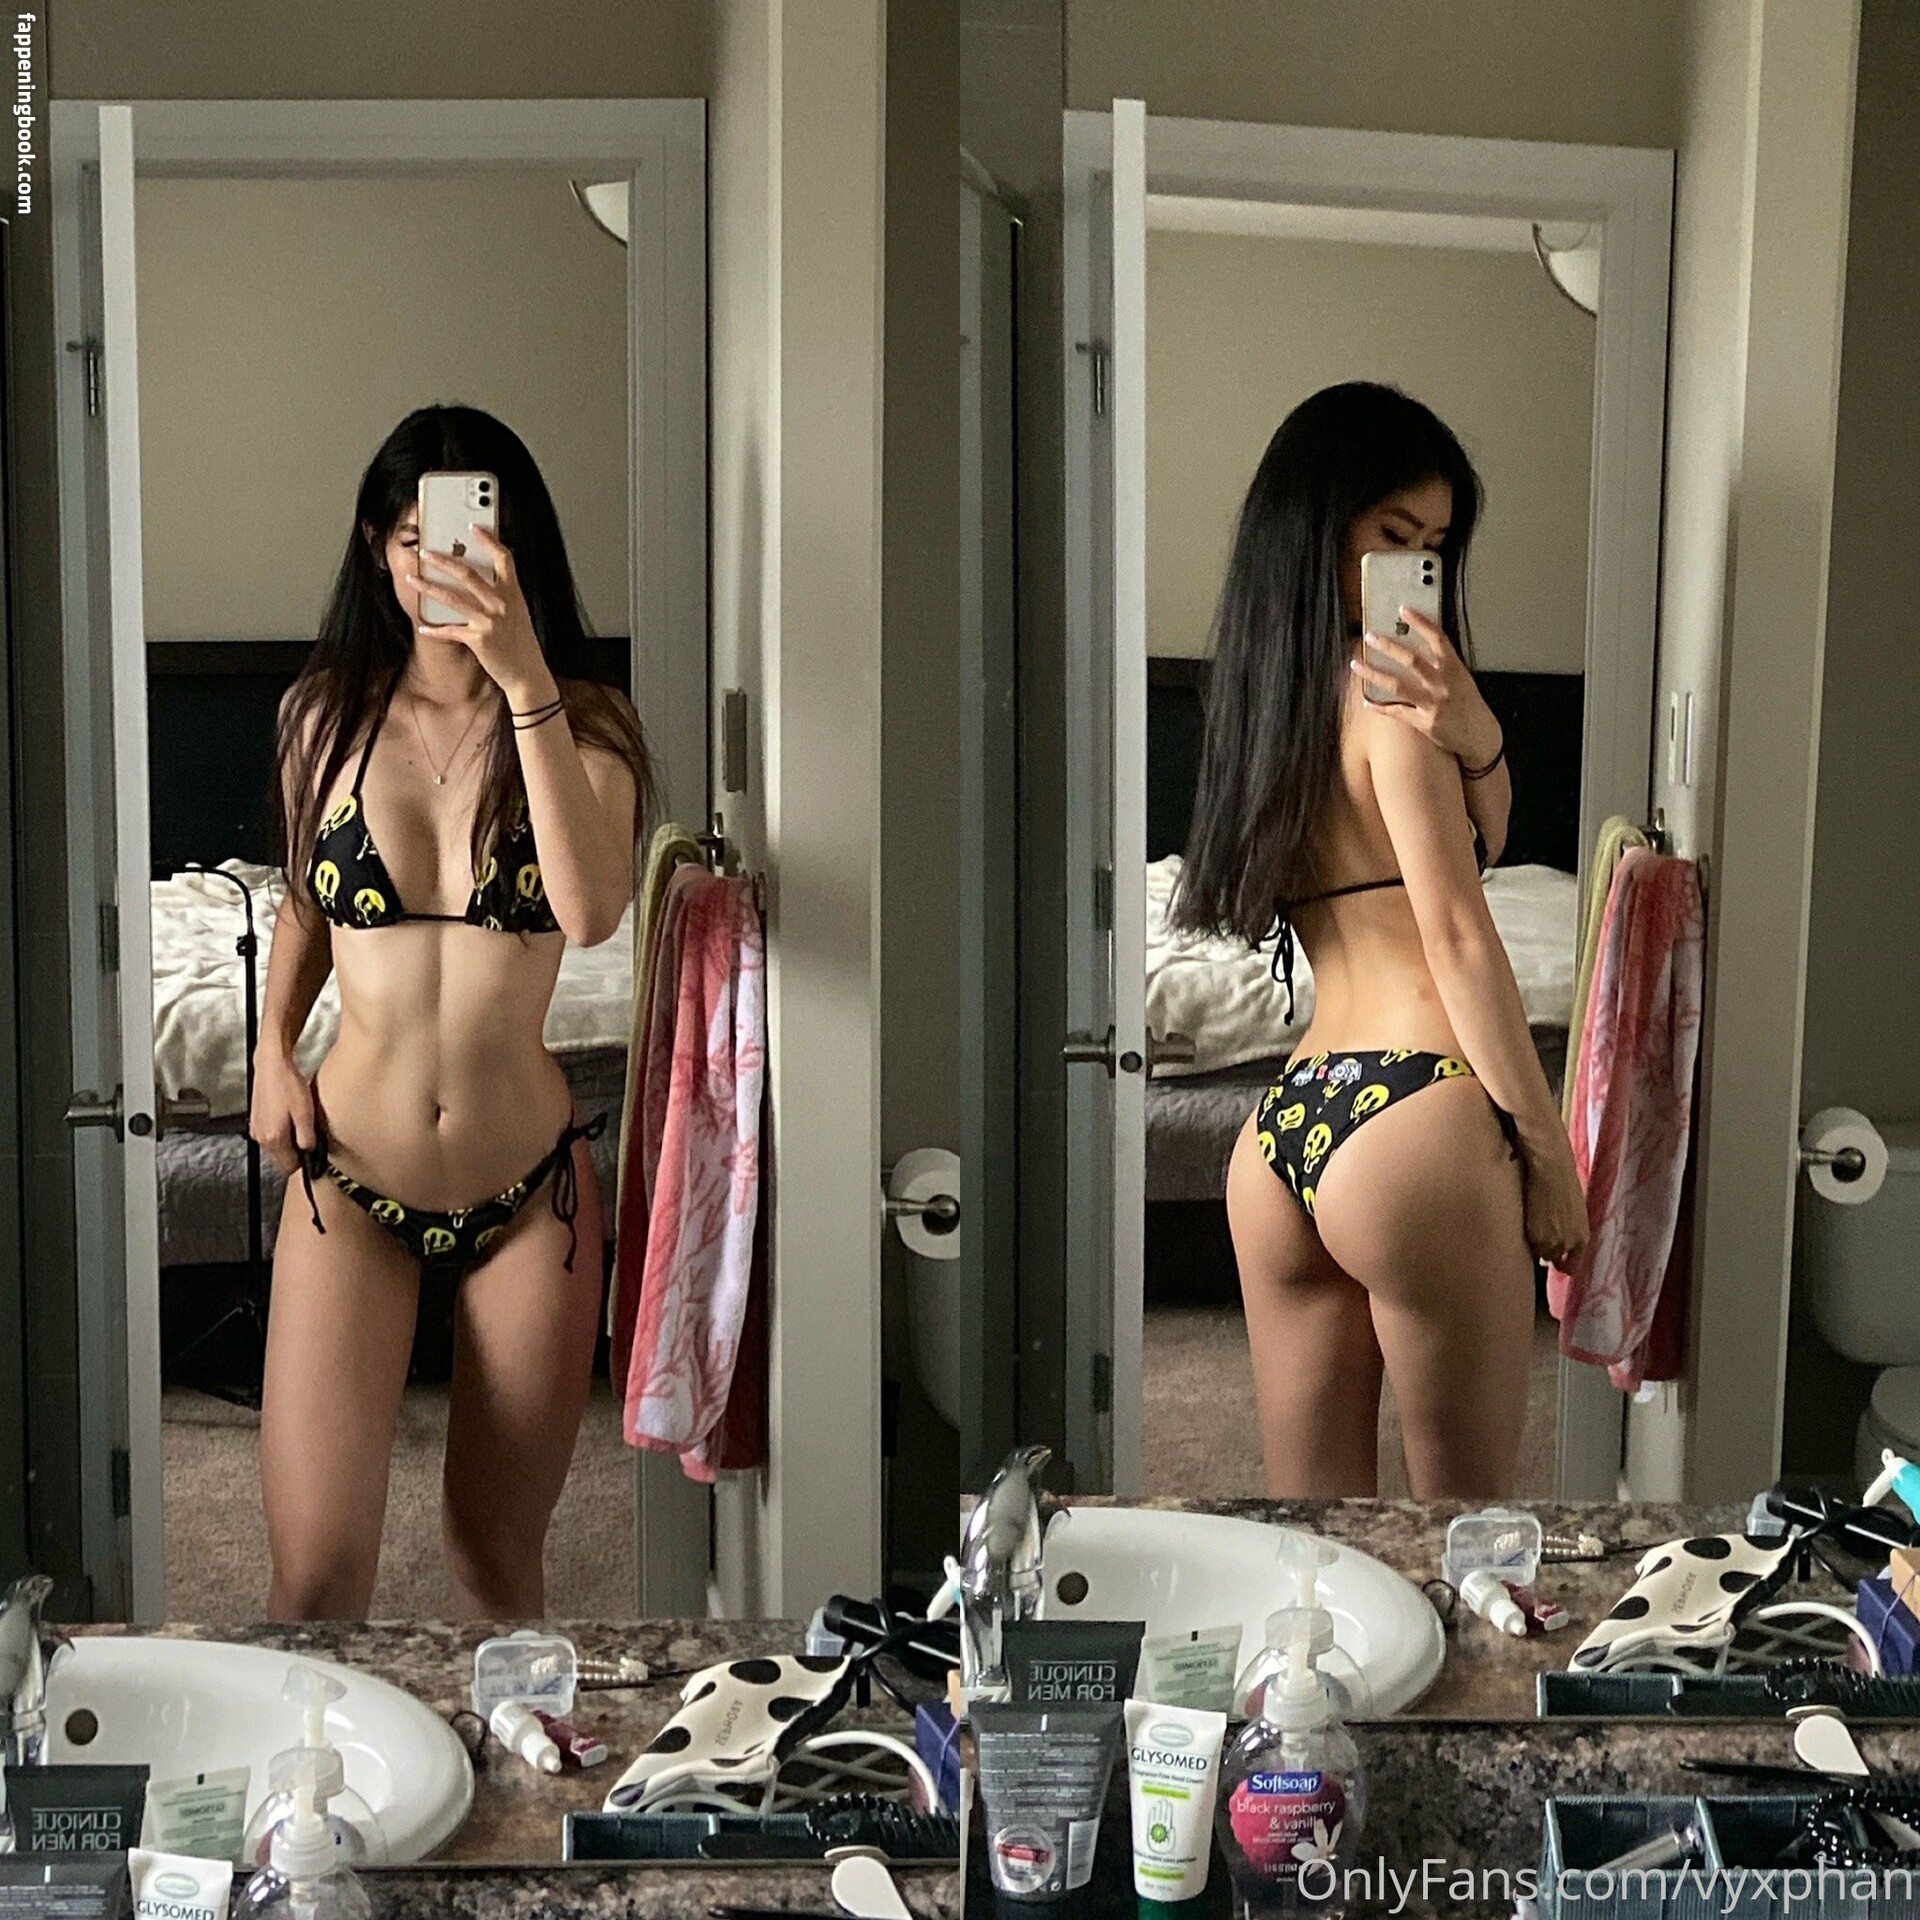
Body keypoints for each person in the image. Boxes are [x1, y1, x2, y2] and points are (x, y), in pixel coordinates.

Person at [250, 405, 652, 1618]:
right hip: (350, 1174)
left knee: (495, 1563)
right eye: (415, 540)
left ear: (517, 551)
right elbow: (307, 903)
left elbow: (589, 910)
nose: (443, 567)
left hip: (528, 1192)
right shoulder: (321, 716)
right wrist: (271, 1051)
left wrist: (523, 678)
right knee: (315, 1580)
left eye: (473, 538)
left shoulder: (589, 724)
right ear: (380, 548)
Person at [1171, 382, 1587, 1499]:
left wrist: (1479, 732)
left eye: (1434, 547)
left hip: (1287, 1131)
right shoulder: (1391, 705)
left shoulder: (1268, 706)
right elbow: (1457, 935)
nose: (1417, 566)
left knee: (1317, 1543)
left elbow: (1487, 829)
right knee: (1469, 1534)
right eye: (1394, 535)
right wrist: (1548, 1153)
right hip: (1418, 1115)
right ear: (1319, 526)